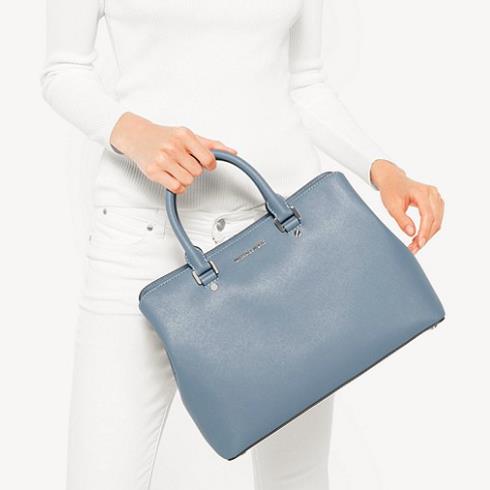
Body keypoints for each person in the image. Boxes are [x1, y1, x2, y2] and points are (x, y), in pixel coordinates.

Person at [40, 0, 445, 488]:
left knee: (295, 478)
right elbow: (64, 70)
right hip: (137, 241)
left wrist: (382, 170)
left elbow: (306, 84)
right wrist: (134, 133)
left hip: (282, 244)